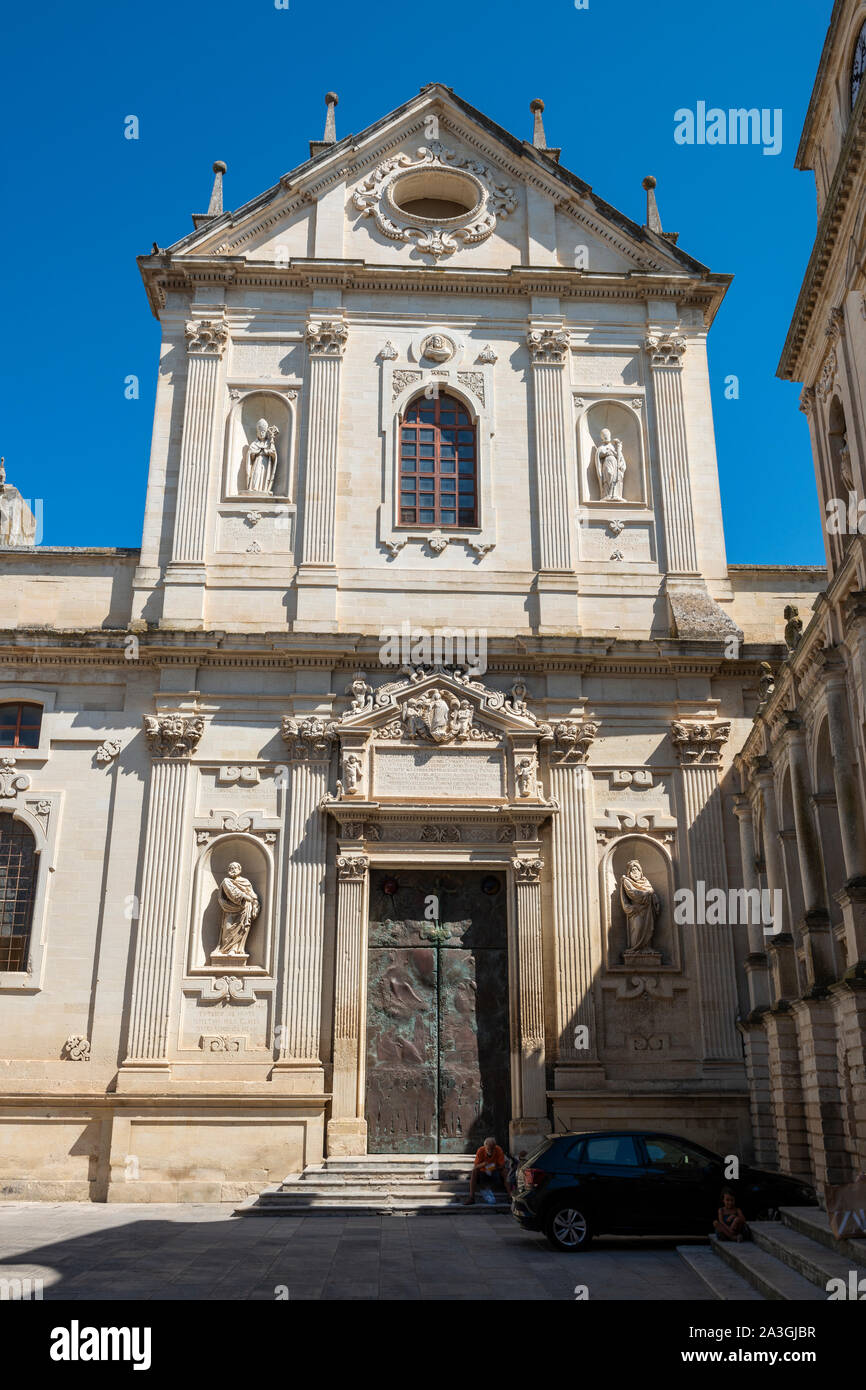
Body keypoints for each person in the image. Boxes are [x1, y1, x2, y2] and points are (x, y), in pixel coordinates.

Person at [463, 1137, 511, 1205]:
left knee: (505, 1171)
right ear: (485, 1146)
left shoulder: (498, 1149)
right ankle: (471, 1198)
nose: (490, 1151)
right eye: (488, 1148)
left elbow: (502, 1165)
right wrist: (484, 1164)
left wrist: (494, 1167)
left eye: (492, 1149)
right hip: (483, 1172)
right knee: (474, 1171)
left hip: (495, 1172)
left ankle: (510, 1196)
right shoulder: (480, 1150)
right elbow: (476, 1166)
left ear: (495, 1147)